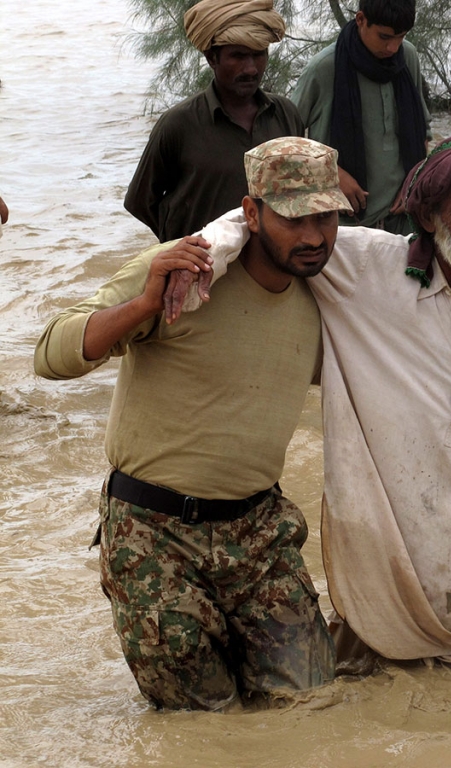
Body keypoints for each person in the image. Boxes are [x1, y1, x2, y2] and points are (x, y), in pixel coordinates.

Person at [177, 138, 451, 674]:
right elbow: (250, 224)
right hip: (390, 536)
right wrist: (204, 261)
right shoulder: (365, 266)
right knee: (367, 676)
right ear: (429, 217)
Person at [34, 137, 352, 710]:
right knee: (202, 722)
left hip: (259, 533)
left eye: (325, 217)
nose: (313, 236)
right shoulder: (184, 272)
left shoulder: (328, 294)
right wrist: (141, 308)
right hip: (154, 536)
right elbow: (51, 353)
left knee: (312, 705)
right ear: (250, 214)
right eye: (293, 218)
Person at [123, 0, 303, 242]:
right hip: (204, 269)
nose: (251, 68)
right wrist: (181, 243)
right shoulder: (177, 125)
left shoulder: (286, 115)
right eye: (238, 56)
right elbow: (140, 202)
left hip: (269, 269)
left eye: (258, 55)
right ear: (211, 59)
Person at [291, 0, 431, 234]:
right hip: (343, 226)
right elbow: (285, 144)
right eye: (384, 37)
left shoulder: (408, 57)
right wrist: (331, 172)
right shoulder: (324, 68)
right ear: (360, 20)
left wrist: (415, 180)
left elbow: (423, 134)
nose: (393, 48)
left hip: (403, 221)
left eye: (401, 36)